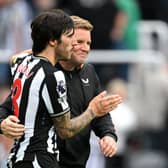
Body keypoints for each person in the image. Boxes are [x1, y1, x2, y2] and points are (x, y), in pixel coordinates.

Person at [0, 10, 121, 168]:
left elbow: (100, 112)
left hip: (69, 162)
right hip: (44, 160)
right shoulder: (49, 74)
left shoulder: (89, 73)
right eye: (76, 41)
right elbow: (65, 129)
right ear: (56, 40)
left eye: (88, 43)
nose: (84, 48)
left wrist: (108, 134)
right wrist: (2, 123)